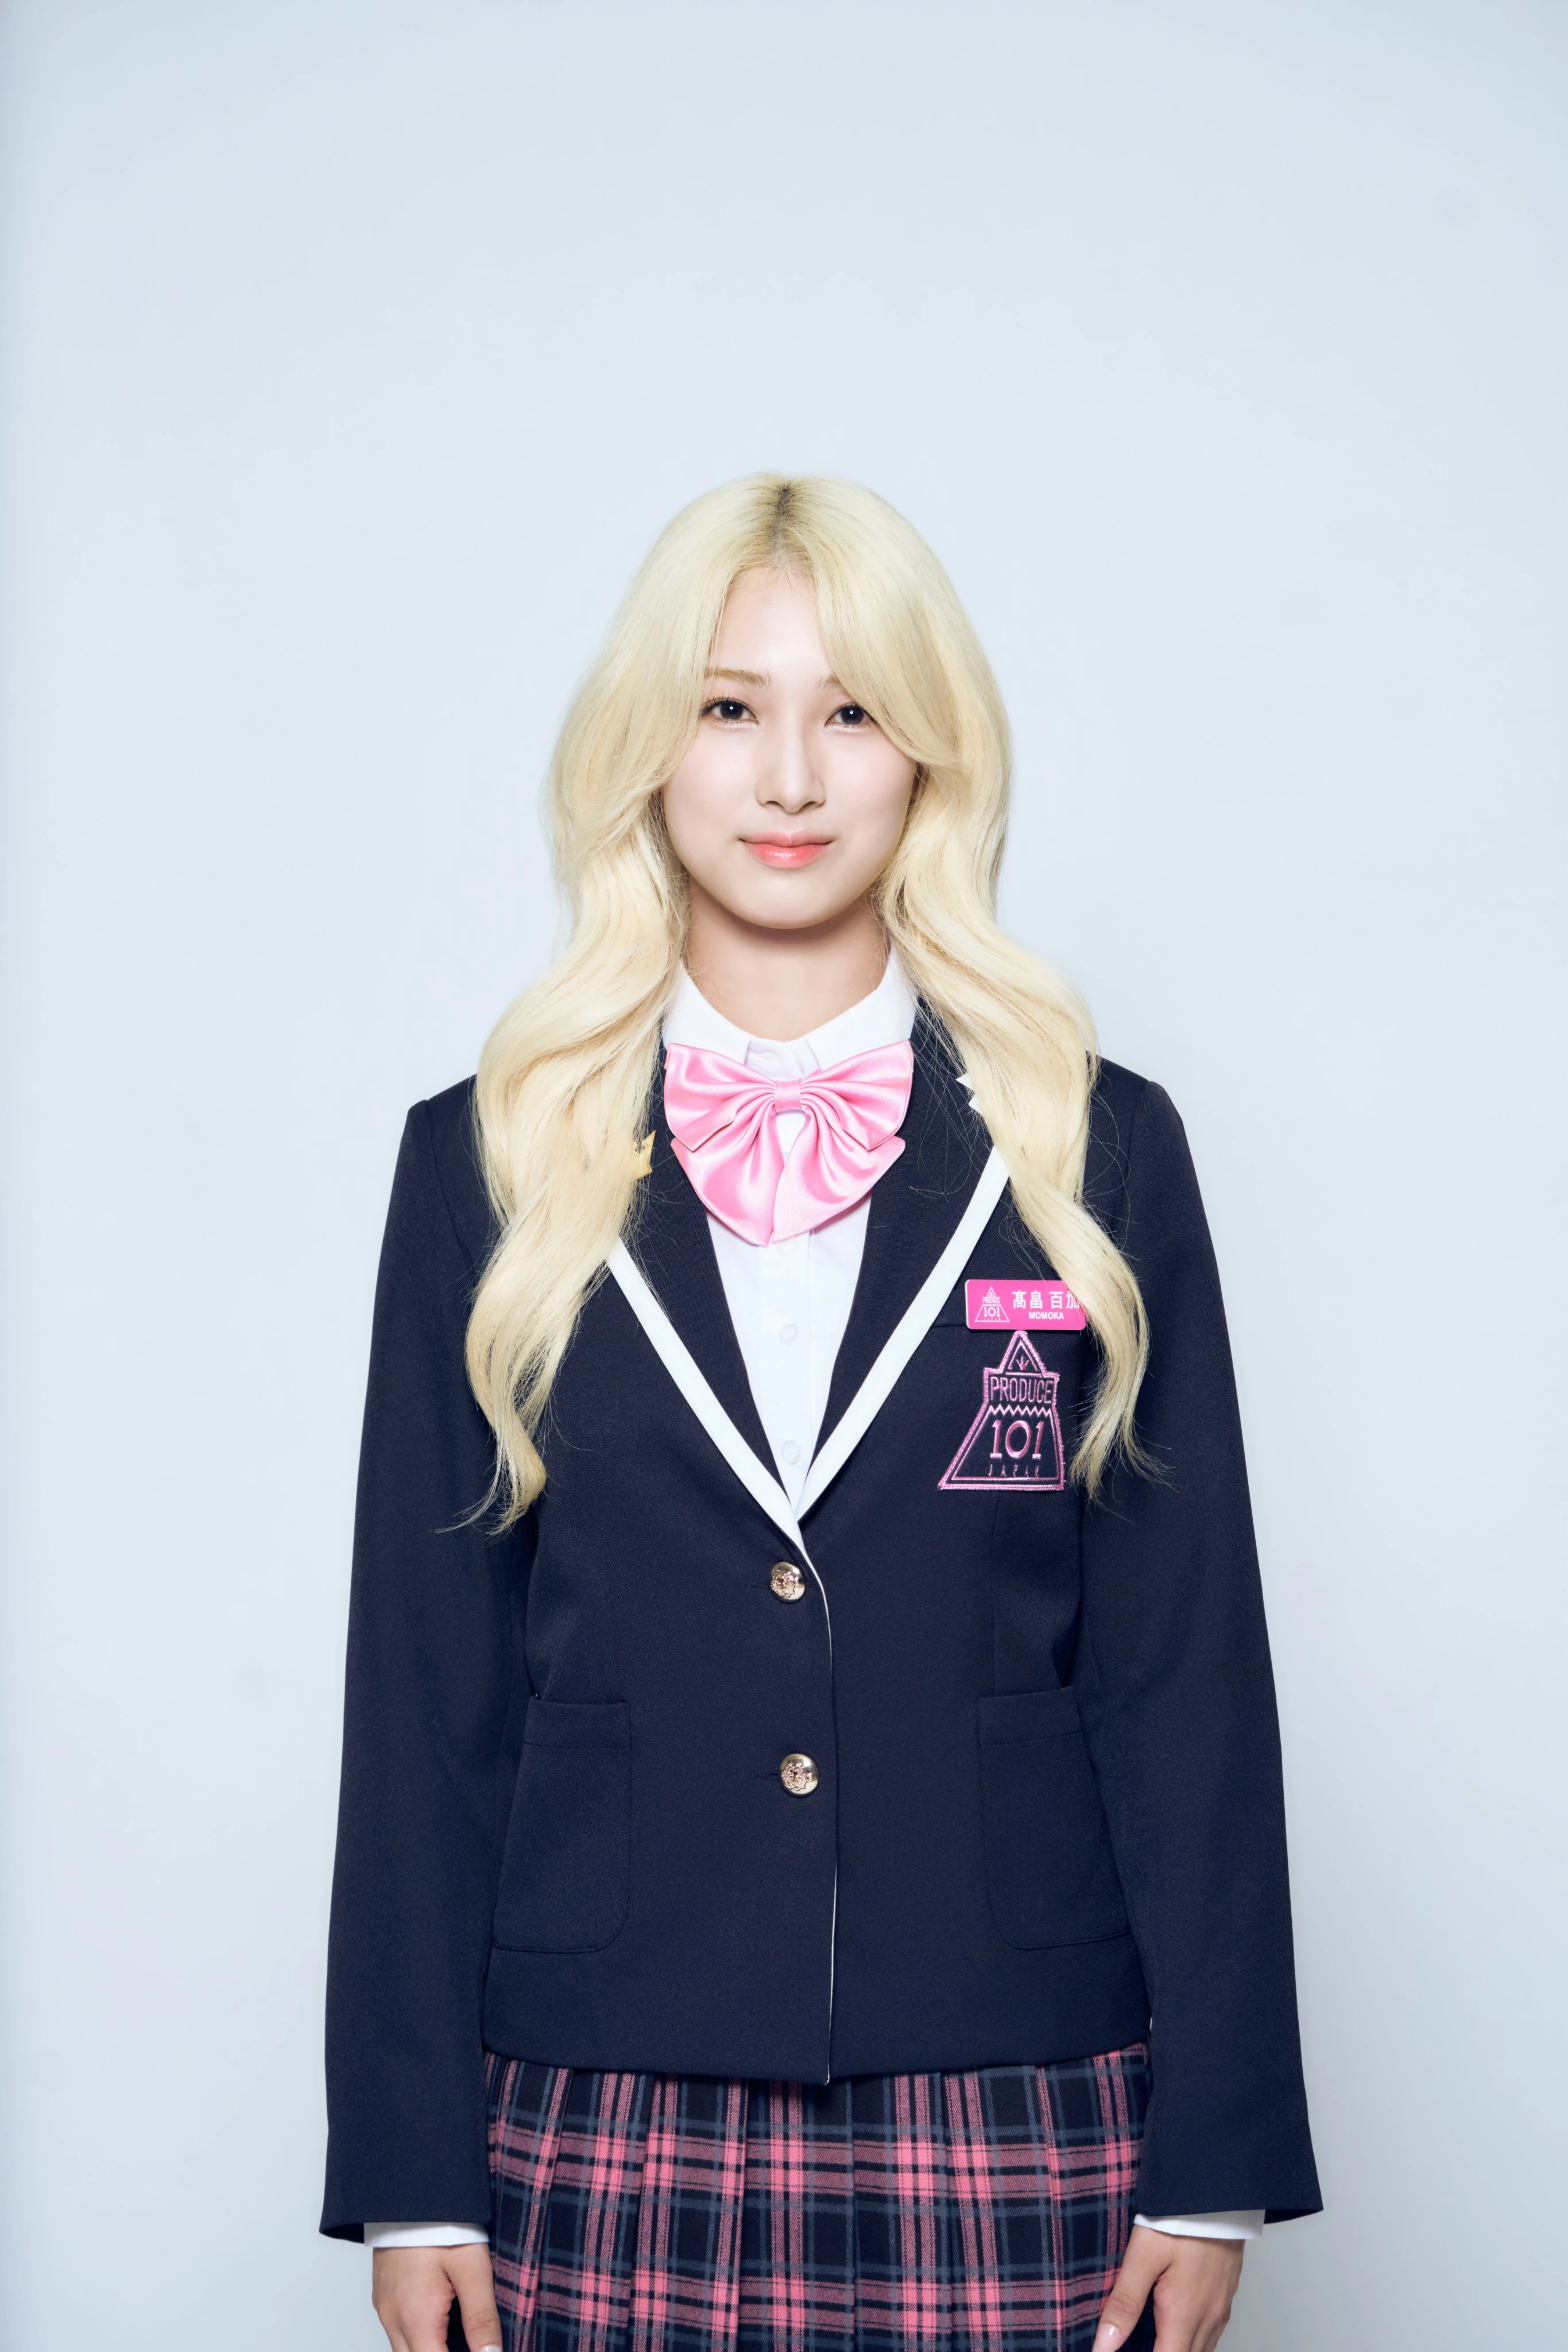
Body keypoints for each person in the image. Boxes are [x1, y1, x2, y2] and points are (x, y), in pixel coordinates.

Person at [320, 475, 1321, 2352]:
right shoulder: (481, 1162)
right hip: (602, 2094)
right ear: (648, 746)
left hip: (1016, 2088)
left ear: (928, 752)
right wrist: (408, 2168)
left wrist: (1217, 2153)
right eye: (729, 706)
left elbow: (1185, 1674)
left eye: (850, 710)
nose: (789, 775)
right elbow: (426, 1695)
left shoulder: (1103, 1148)